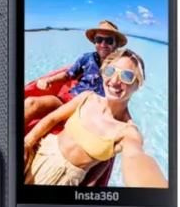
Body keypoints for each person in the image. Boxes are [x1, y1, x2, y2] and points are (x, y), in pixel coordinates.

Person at [24, 48, 167, 188]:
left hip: (61, 180)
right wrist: (28, 143)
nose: (114, 80)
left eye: (127, 76)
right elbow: (53, 119)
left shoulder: (127, 132)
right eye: (110, 71)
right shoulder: (87, 97)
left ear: (138, 84)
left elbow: (135, 156)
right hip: (39, 153)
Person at [24, 20, 128, 124]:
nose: (103, 44)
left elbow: (123, 94)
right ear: (94, 42)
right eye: (99, 39)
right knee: (31, 102)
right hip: (69, 100)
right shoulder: (87, 58)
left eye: (109, 40)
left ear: (116, 44)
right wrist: (48, 80)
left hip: (91, 113)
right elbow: (67, 75)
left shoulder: (120, 67)